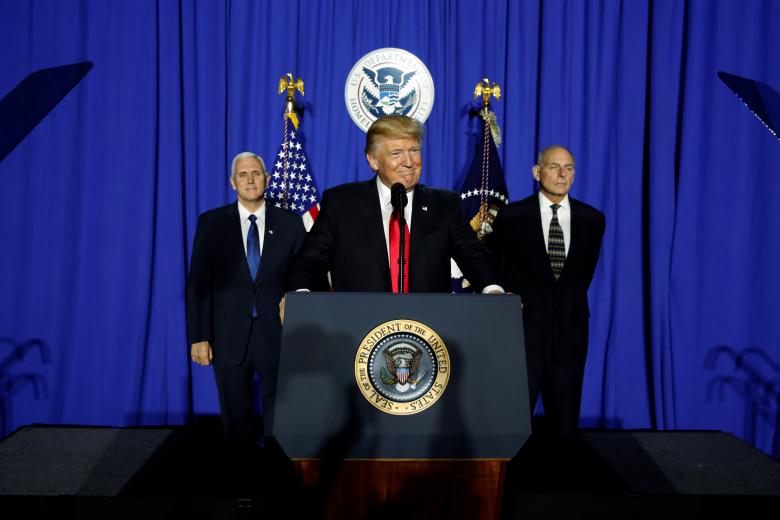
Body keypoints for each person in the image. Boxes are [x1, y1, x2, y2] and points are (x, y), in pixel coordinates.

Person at [285, 114, 501, 295]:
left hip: (427, 331)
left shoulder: (444, 205)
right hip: (358, 332)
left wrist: (493, 290)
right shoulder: (341, 204)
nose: (409, 162)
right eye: (396, 153)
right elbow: (309, 260)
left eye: (414, 150)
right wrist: (298, 296)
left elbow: (473, 255)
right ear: (373, 160)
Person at [187, 152, 306, 452]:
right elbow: (199, 284)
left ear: (267, 179)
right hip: (228, 335)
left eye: (256, 173)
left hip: (277, 333)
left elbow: (303, 272)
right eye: (243, 174)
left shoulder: (291, 224)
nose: (251, 180)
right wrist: (199, 337)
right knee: (235, 423)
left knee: (280, 419)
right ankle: (240, 483)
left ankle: (276, 481)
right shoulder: (212, 223)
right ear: (232, 182)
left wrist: (295, 297)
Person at [487, 145, 605, 437]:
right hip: (524, 332)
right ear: (537, 172)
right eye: (554, 167)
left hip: (570, 330)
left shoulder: (592, 220)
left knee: (565, 421)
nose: (562, 174)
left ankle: (562, 478)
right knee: (514, 415)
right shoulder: (512, 218)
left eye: (569, 168)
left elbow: (581, 277)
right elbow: (499, 271)